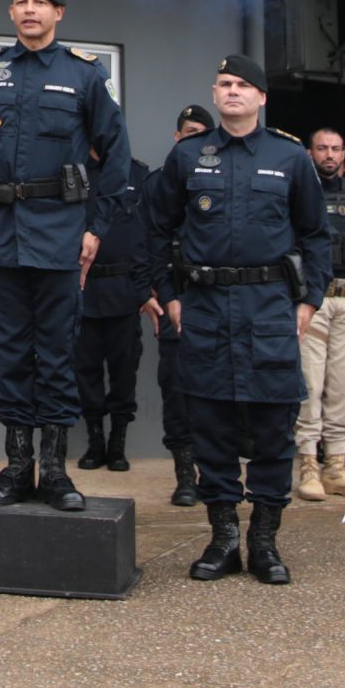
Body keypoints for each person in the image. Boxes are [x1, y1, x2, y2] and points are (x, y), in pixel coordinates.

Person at [0, 0, 131, 513]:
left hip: (61, 234)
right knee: (9, 352)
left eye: (40, 3)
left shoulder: (86, 76)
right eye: (21, 3)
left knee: (55, 351)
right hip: (1, 233)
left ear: (59, 13)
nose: (29, 10)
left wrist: (96, 227)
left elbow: (116, 157)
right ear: (11, 14)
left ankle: (53, 469)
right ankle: (16, 464)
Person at [143, 55, 328, 585]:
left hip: (269, 308)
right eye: (223, 84)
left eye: (243, 85)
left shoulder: (290, 157)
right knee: (212, 429)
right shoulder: (187, 157)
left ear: (262, 97)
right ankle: (223, 538)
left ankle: (264, 543)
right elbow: (156, 229)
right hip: (204, 306)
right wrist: (169, 293)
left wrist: (309, 300)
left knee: (273, 429)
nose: (232, 92)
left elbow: (316, 234)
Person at [294, 127, 345, 502]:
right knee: (310, 386)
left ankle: (337, 468)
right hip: (315, 303)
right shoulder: (299, 193)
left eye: (336, 149)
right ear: (310, 153)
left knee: (344, 385)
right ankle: (309, 465)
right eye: (322, 148)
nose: (329, 154)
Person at [76, 147, 158, 473]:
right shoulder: (76, 172)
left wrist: (145, 287)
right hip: (84, 289)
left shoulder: (137, 175)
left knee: (124, 372)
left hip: (125, 290)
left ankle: (118, 443)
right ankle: (95, 443)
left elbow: (148, 235)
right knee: (85, 371)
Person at [158, 105, 214, 505]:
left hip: (214, 302)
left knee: (216, 395)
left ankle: (213, 472)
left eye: (202, 133)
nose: (195, 139)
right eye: (189, 132)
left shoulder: (222, 183)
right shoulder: (156, 184)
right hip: (174, 301)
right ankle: (185, 475)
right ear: (177, 138)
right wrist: (156, 294)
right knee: (176, 391)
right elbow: (147, 242)